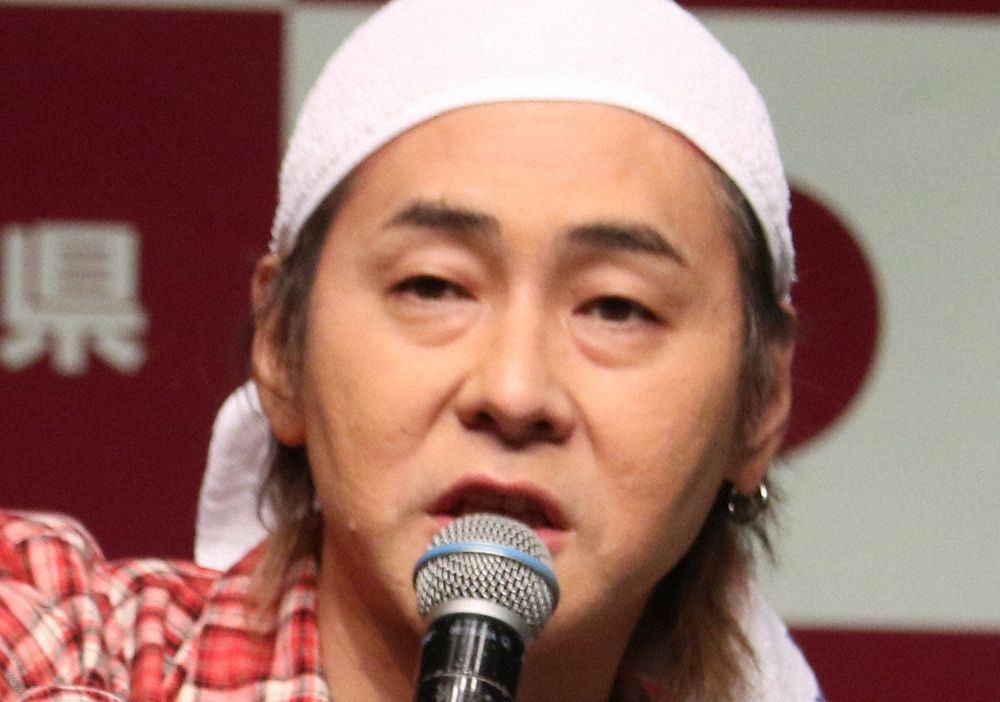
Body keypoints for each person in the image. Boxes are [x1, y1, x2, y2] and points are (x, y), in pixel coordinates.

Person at [0, 1, 823, 700]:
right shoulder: (53, 647)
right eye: (433, 286)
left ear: (759, 404)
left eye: (617, 307)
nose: (513, 391)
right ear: (282, 346)